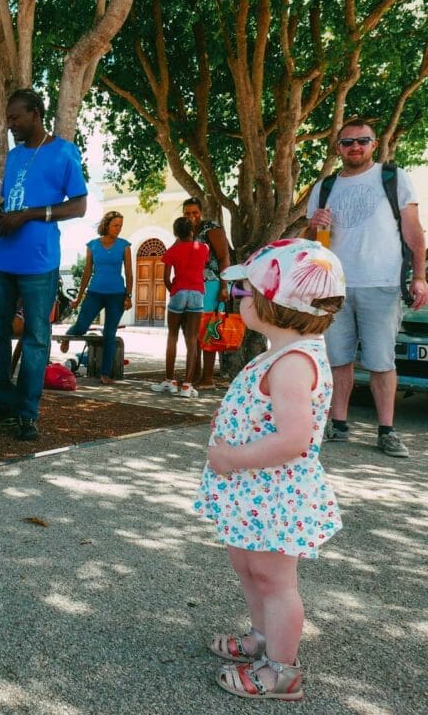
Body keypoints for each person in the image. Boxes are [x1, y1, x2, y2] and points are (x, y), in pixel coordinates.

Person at [195, 238, 346, 701]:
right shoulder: (279, 353)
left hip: (274, 493)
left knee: (275, 580)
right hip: (255, 492)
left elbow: (295, 439)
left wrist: (230, 458)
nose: (238, 300)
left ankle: (281, 669)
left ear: (275, 303)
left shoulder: (294, 364)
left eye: (245, 293)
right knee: (249, 568)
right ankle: (261, 639)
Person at [305, 119, 427, 458]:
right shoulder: (325, 187)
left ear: (374, 144)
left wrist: (419, 276)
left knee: (381, 361)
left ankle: (386, 430)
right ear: (338, 147)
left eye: (362, 140)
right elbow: (309, 243)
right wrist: (313, 226)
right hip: (335, 286)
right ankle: (338, 424)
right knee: (337, 359)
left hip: (381, 283)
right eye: (347, 142)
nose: (355, 147)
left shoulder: (394, 178)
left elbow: (414, 232)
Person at [0, 89, 87, 440]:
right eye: (8, 119)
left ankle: (27, 412)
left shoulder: (63, 152)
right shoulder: (13, 157)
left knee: (36, 338)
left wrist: (30, 215)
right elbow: (12, 201)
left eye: (15, 118)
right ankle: (2, 404)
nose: (10, 125)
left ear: (35, 113)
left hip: (39, 263)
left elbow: (79, 206)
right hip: (4, 260)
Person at [61, 211, 132, 384]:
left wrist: (128, 296)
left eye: (121, 226)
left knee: (109, 333)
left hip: (117, 295)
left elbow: (129, 273)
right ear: (106, 225)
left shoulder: (124, 245)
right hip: (95, 293)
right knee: (81, 326)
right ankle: (67, 336)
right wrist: (79, 297)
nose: (119, 229)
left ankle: (105, 373)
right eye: (116, 225)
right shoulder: (92, 245)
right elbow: (87, 272)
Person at [151, 216, 209, 398]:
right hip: (197, 293)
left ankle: (170, 381)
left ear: (176, 233)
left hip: (179, 292)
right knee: (192, 339)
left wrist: (174, 291)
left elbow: (166, 279)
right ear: (192, 231)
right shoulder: (203, 248)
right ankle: (187, 386)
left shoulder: (172, 251)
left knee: (172, 336)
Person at [181, 197, 232, 388]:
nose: (191, 216)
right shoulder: (184, 232)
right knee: (192, 330)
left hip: (211, 285)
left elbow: (224, 256)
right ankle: (194, 375)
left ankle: (208, 378)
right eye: (187, 213)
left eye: (195, 212)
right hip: (191, 286)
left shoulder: (211, 228)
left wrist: (225, 285)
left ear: (201, 212)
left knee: (208, 330)